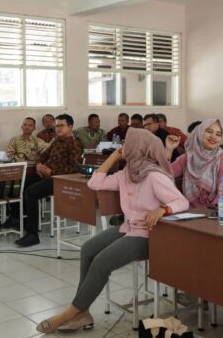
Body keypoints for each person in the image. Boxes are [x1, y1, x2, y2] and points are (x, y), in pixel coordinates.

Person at [35, 128, 189, 334]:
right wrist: (115, 155)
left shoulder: (154, 175)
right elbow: (94, 182)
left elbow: (181, 201)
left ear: (138, 148)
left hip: (148, 235)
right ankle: (83, 312)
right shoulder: (127, 173)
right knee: (88, 250)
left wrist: (162, 209)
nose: (122, 146)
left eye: (127, 143)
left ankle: (69, 314)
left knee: (101, 262)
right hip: (129, 227)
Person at [16, 114, 82, 247]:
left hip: (61, 180)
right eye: (56, 126)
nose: (58, 129)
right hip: (47, 174)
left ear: (70, 127)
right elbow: (42, 155)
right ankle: (19, 220)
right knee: (21, 183)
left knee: (31, 192)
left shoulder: (75, 144)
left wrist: (52, 172)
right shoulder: (56, 141)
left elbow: (74, 169)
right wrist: (39, 164)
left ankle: (33, 234)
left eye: (61, 126)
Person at [166, 118, 223, 207]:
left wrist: (209, 214)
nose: (213, 137)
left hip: (219, 210)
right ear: (199, 133)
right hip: (190, 211)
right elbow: (164, 174)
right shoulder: (188, 157)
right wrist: (169, 150)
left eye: (218, 134)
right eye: (209, 131)